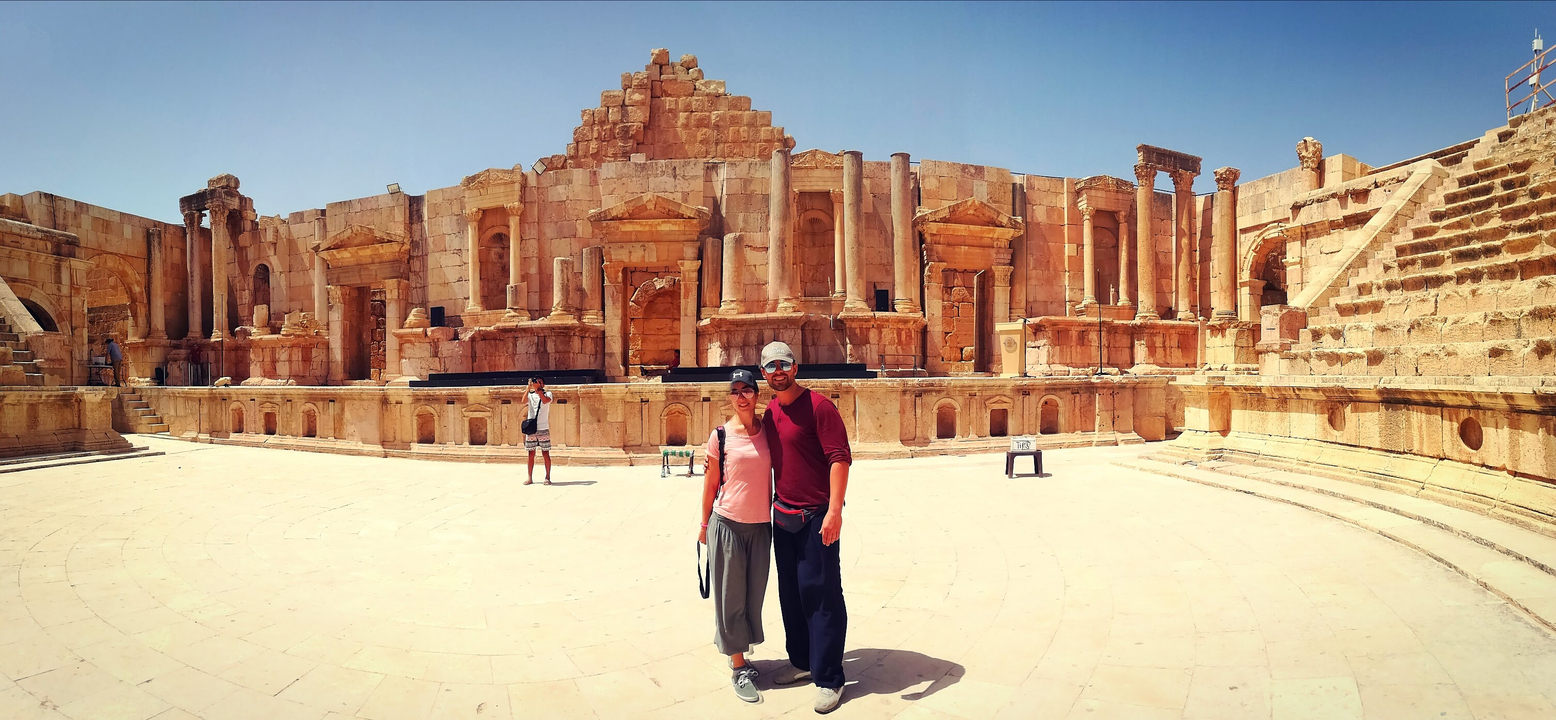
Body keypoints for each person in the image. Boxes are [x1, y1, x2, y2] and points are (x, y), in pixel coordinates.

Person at [759, 341, 852, 714]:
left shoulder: (819, 407)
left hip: (816, 516)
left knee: (822, 594)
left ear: (795, 368)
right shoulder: (770, 412)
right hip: (783, 516)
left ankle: (830, 677)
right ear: (764, 374)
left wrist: (834, 511)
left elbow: (839, 458)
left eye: (783, 364)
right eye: (770, 367)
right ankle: (801, 660)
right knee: (791, 593)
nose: (777, 372)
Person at [697, 369, 772, 704]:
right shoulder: (720, 436)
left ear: (757, 395)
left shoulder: (769, 431)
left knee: (752, 595)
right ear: (729, 396)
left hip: (760, 525)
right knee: (730, 597)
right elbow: (710, 483)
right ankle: (738, 665)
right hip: (726, 522)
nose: (741, 396)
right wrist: (703, 526)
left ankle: (742, 653)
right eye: (735, 391)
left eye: (747, 390)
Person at [524, 376, 553, 485]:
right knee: (531, 453)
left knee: (545, 453)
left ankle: (547, 477)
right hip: (531, 428)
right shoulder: (530, 395)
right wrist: (528, 388)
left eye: (540, 382)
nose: (538, 383)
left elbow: (545, 401)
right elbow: (522, 401)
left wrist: (539, 391)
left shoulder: (548, 394)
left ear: (543, 385)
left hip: (543, 427)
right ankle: (530, 477)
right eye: (537, 382)